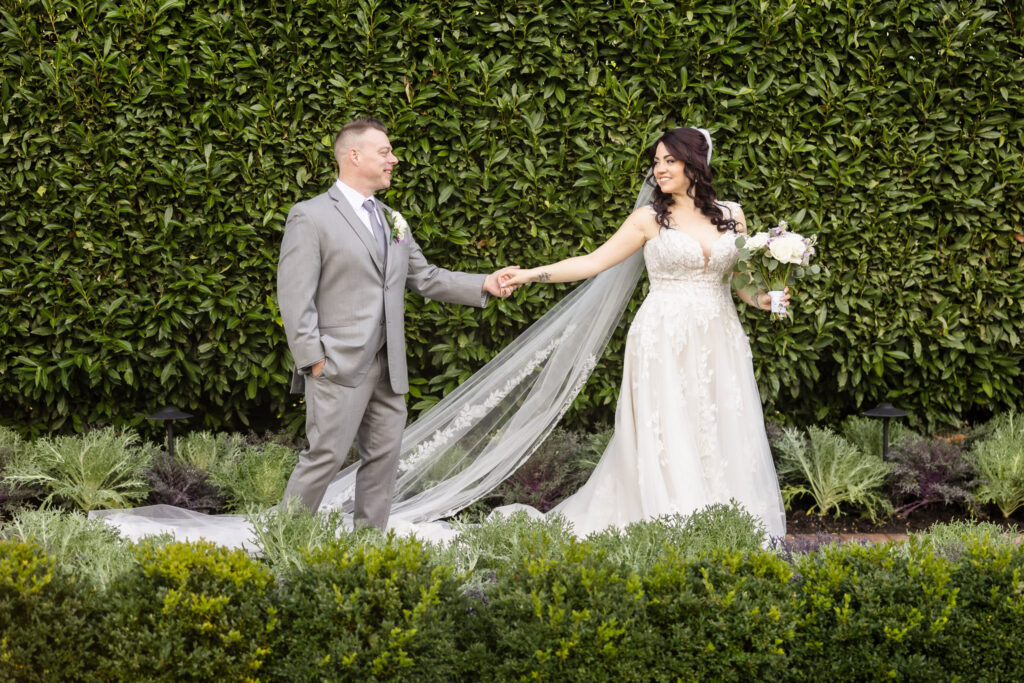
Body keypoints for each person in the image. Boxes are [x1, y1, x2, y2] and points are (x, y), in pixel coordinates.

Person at [499, 126, 787, 538]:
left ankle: (726, 522)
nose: (660, 169)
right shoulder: (648, 219)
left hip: (719, 337)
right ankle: (671, 522)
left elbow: (742, 286)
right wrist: (529, 275)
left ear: (695, 163)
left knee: (719, 424)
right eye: (656, 161)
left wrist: (769, 299)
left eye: (670, 160)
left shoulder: (732, 215)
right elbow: (592, 263)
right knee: (669, 429)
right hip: (662, 339)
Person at [276, 117, 518, 530]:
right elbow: (295, 295)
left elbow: (425, 277)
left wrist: (484, 283)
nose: (394, 159)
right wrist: (314, 359)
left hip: (391, 369)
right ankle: (279, 542)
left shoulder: (393, 220)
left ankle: (369, 551)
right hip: (336, 365)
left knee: (384, 462)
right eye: (384, 152)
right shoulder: (310, 216)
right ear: (354, 156)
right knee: (325, 457)